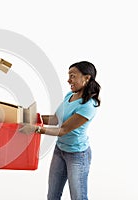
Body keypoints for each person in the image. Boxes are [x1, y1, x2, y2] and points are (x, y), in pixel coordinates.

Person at [19, 61, 101, 200]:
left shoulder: (88, 105)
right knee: (52, 195)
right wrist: (27, 116)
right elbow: (55, 119)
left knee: (78, 197)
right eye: (69, 76)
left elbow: (63, 130)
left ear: (86, 78)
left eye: (73, 76)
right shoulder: (70, 95)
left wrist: (36, 129)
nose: (69, 80)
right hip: (60, 150)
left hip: (77, 155)